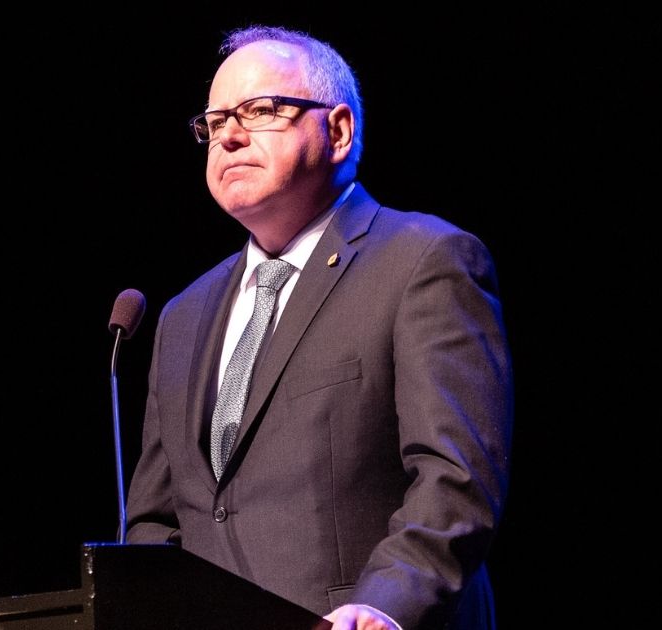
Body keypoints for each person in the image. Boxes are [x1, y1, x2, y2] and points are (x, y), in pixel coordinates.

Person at [124, 25, 513, 630]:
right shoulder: (183, 315)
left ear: (337, 131)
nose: (228, 135)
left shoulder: (422, 262)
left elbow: (454, 480)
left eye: (260, 111)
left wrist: (384, 605)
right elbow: (156, 522)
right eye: (214, 120)